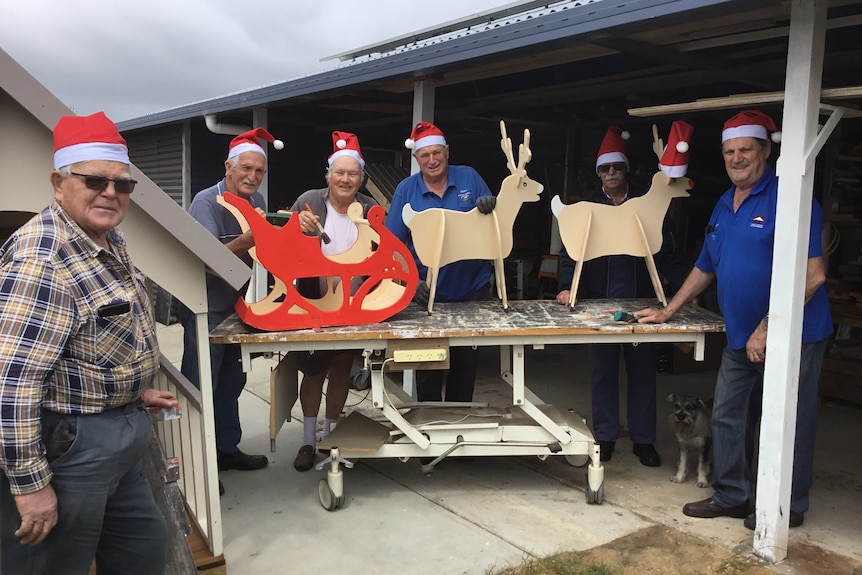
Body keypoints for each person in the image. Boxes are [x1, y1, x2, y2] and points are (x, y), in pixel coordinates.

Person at [0, 112, 178, 575]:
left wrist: (131, 391)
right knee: (53, 563)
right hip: (69, 447)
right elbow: (12, 385)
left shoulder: (106, 238)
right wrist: (30, 487)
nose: (111, 192)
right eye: (95, 180)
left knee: (143, 548)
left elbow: (85, 343)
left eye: (122, 184)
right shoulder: (43, 260)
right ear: (59, 183)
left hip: (117, 437)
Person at [636, 110, 832, 529]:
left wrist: (769, 325)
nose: (737, 158)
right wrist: (669, 309)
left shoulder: (792, 198)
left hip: (794, 334)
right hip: (742, 335)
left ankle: (790, 502)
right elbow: (706, 266)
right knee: (727, 412)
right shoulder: (724, 204)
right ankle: (732, 495)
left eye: (746, 149)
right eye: (730, 151)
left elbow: (813, 276)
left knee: (790, 417)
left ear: (765, 150)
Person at [556, 125, 689, 467]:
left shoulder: (647, 205)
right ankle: (606, 436)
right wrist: (567, 286)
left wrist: (684, 291)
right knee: (602, 372)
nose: (611, 173)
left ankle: (644, 440)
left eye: (616, 167)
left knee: (643, 371)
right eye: (605, 168)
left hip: (642, 301)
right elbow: (571, 252)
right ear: (598, 172)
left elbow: (669, 251)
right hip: (598, 301)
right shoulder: (588, 207)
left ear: (626, 170)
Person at [180, 128, 282, 481]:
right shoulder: (205, 202)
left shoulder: (258, 203)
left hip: (235, 306)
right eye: (246, 169)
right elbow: (206, 260)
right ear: (229, 167)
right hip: (204, 306)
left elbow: (265, 254)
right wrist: (246, 240)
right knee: (200, 385)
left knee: (232, 382)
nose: (252, 177)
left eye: (259, 171)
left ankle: (226, 449)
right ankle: (199, 466)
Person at [386, 121, 497, 403]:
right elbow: (392, 248)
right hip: (427, 296)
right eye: (425, 155)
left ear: (447, 151)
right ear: (416, 158)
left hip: (471, 290)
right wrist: (411, 284)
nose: (432, 160)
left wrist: (490, 205)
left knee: (465, 367)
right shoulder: (406, 191)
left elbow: (495, 223)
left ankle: (458, 429)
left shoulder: (470, 178)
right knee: (428, 368)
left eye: (437, 153)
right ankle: (430, 432)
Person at [289, 131, 379, 471]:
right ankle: (308, 441)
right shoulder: (309, 200)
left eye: (352, 173)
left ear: (361, 178)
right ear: (329, 175)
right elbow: (286, 243)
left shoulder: (369, 208)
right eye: (339, 173)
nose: (345, 179)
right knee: (313, 372)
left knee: (342, 369)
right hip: (315, 303)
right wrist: (299, 226)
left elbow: (380, 252)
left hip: (355, 306)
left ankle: (331, 437)